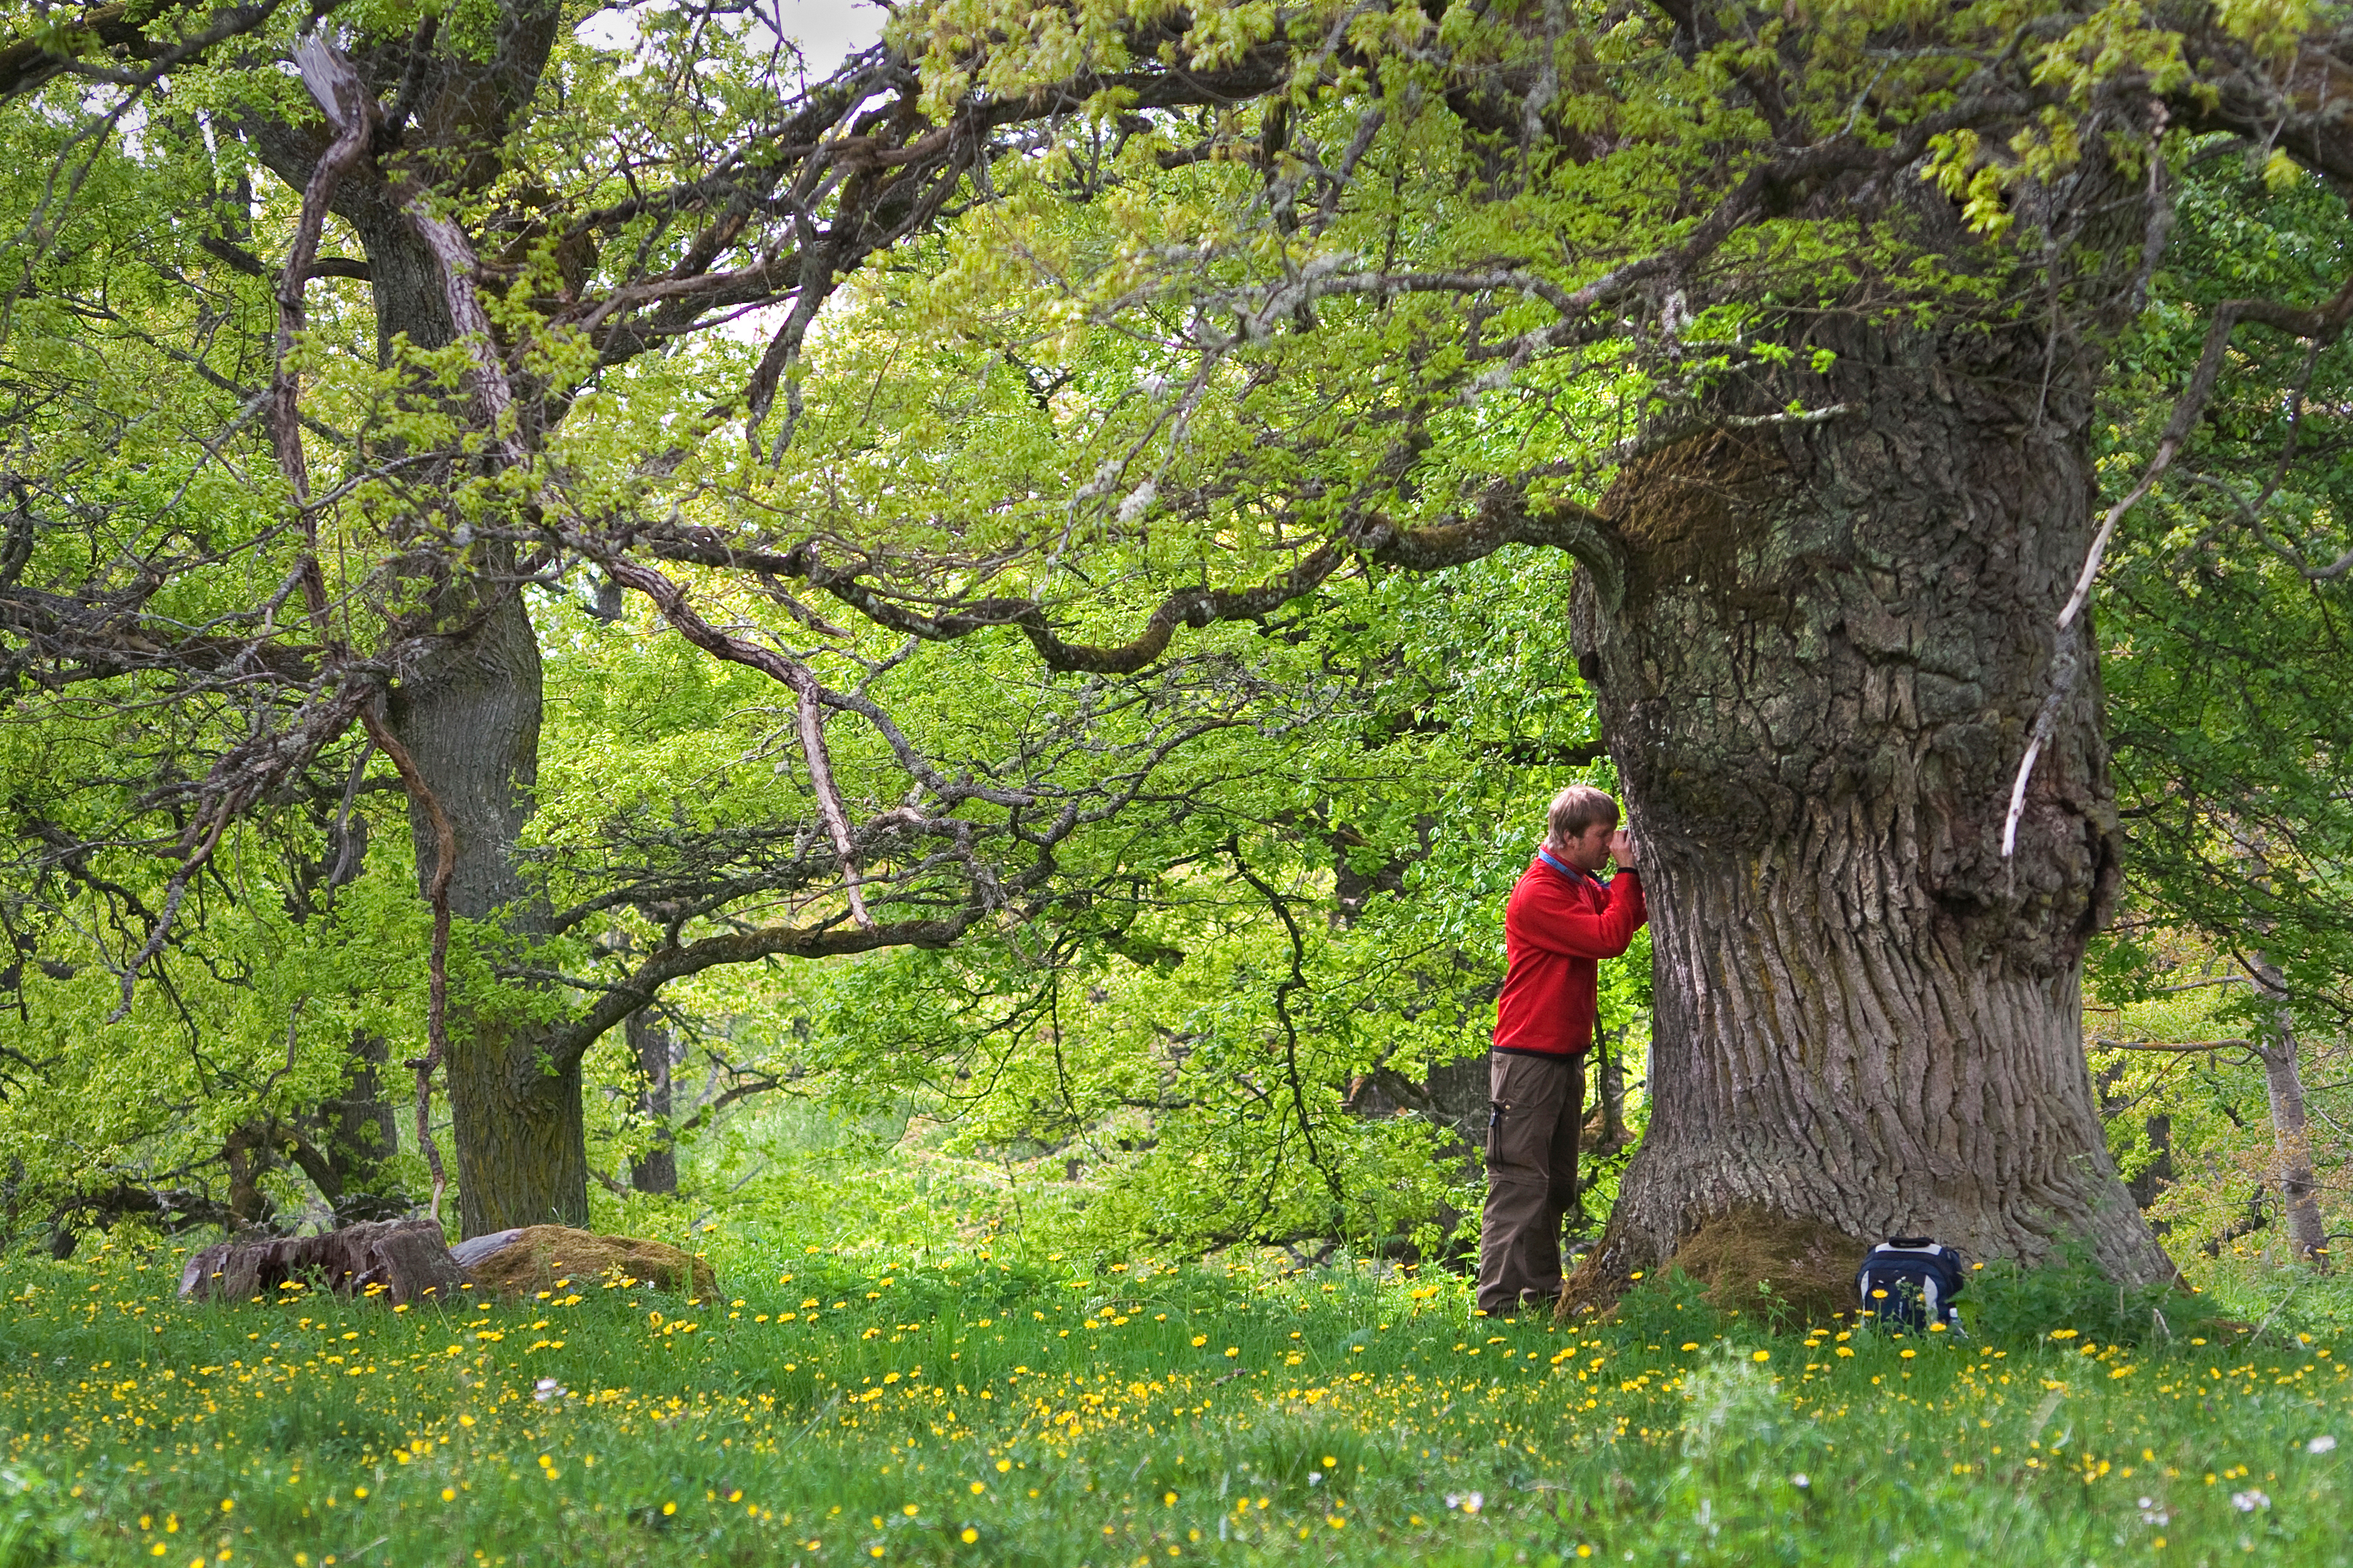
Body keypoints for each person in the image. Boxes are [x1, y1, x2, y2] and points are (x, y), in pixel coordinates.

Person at [1476, 784, 1647, 1318]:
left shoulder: (1577, 882)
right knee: (1519, 1184)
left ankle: (1542, 1293)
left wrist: (1628, 876)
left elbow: (1625, 916)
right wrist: (1627, 871)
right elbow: (1608, 937)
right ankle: (1497, 1305)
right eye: (1602, 835)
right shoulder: (1540, 891)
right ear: (1569, 836)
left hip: (1560, 1055)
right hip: (1528, 1058)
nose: (1609, 843)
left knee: (1556, 1184)